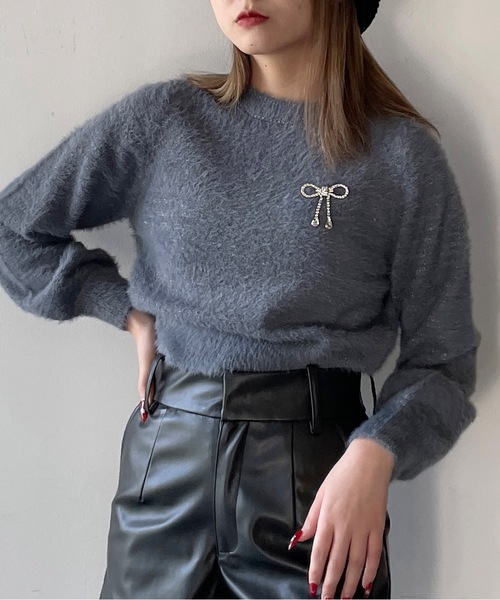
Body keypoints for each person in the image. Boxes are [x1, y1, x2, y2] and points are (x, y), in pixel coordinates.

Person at [0, 0, 481, 598]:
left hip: (317, 487)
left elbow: (443, 362)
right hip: (165, 464)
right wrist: (127, 312)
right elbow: (14, 227)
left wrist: (377, 453)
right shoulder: (165, 121)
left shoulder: (400, 156)